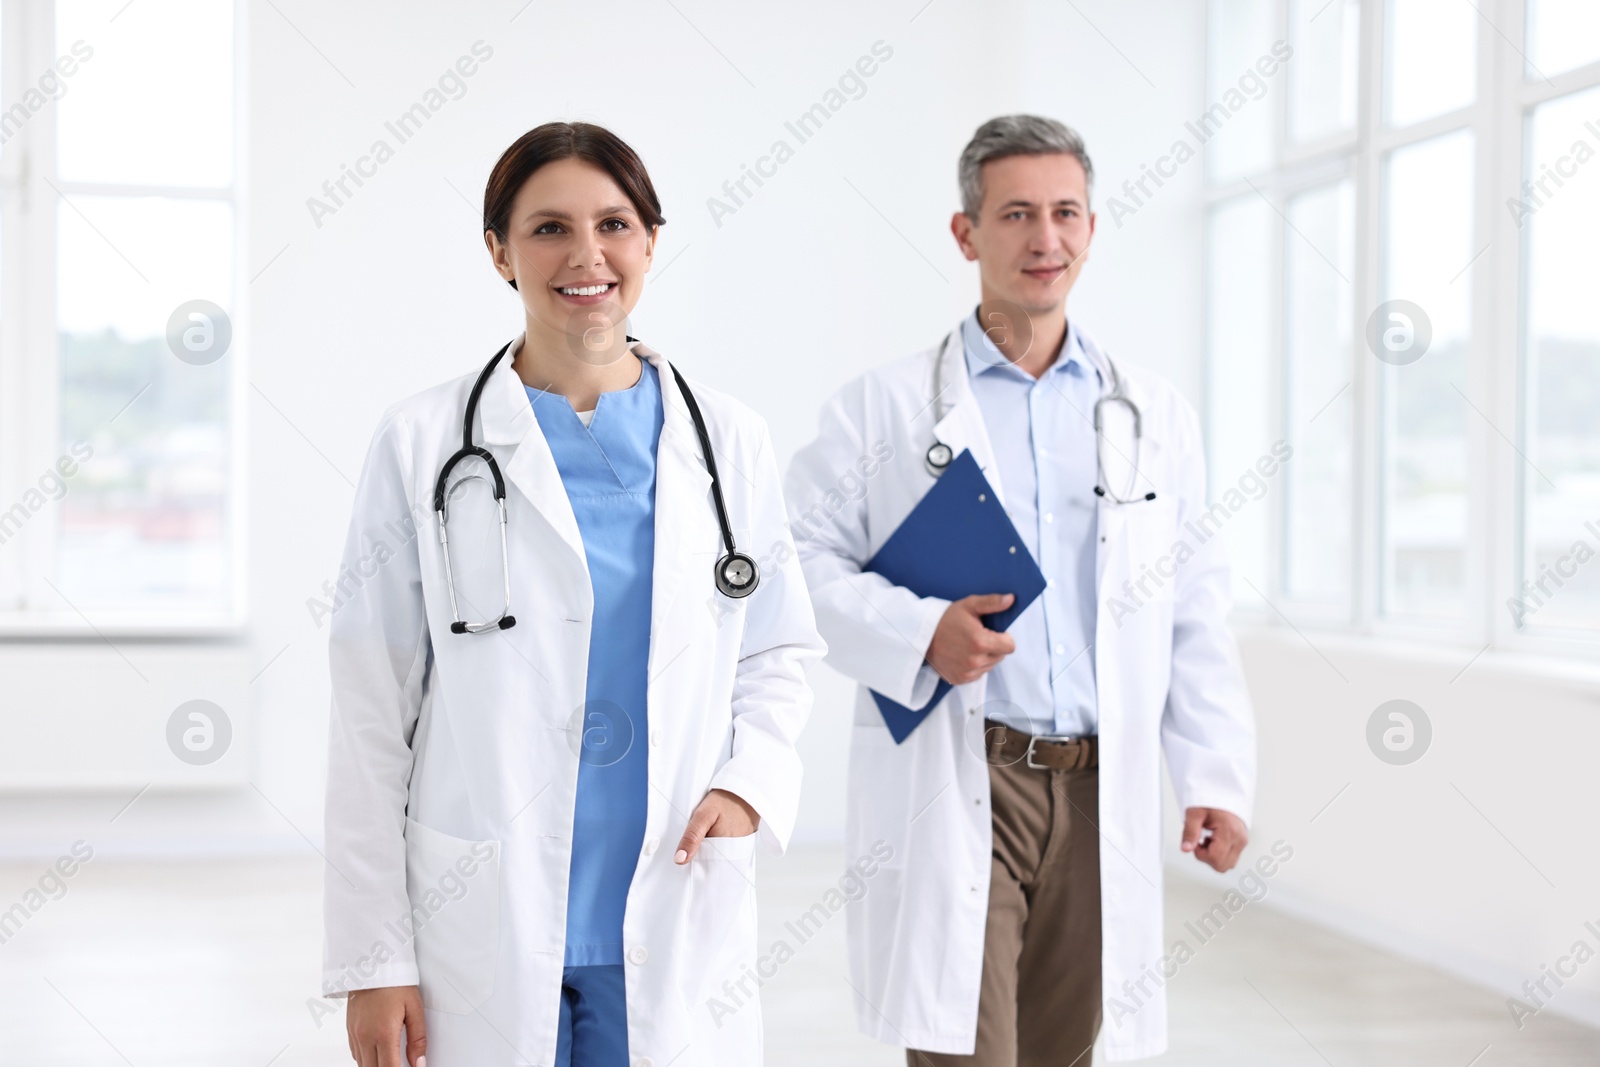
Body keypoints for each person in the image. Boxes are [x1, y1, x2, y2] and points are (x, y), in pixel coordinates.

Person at [322, 121, 825, 1067]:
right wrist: (373, 955)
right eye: (549, 227)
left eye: (615, 223)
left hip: (671, 896)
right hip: (482, 908)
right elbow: (367, 710)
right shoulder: (421, 441)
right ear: (498, 251)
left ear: (651, 241)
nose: (586, 254)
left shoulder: (728, 438)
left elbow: (780, 647)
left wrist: (749, 781)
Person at [783, 115, 1257, 1064]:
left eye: (1066, 212)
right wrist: (919, 632)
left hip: (1100, 784)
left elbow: (1194, 601)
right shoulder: (882, 406)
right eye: (1016, 214)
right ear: (967, 235)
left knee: (1064, 1051)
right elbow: (796, 564)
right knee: (965, 1048)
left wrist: (1212, 772)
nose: (1046, 238)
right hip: (967, 772)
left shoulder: (1149, 411)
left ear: (1090, 227)